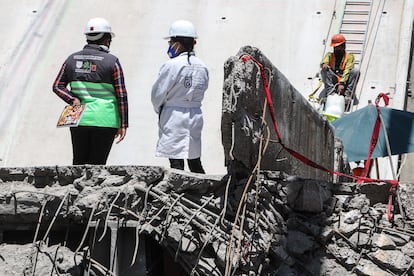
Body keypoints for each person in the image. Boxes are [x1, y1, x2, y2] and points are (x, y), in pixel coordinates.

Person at [52, 17, 128, 165]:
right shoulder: (112, 61)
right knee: (98, 165)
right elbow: (121, 95)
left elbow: (57, 86)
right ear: (107, 39)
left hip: (79, 119)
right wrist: (123, 123)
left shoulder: (71, 59)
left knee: (79, 163)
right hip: (106, 120)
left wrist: (72, 99)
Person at [151, 20, 209, 173]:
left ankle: (179, 190)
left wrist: (160, 109)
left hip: (174, 114)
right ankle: (201, 188)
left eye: (171, 42)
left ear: (177, 43)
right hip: (195, 114)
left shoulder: (171, 65)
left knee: (176, 160)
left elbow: (158, 93)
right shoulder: (203, 66)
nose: (169, 45)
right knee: (194, 157)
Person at [319, 34, 359, 102]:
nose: (335, 49)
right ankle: (330, 92)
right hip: (333, 81)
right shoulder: (329, 55)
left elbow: (347, 70)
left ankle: (348, 94)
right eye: (334, 47)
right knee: (324, 70)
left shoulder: (349, 57)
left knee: (355, 71)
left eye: (337, 47)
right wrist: (324, 64)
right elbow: (323, 62)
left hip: (345, 82)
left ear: (343, 46)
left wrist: (342, 83)